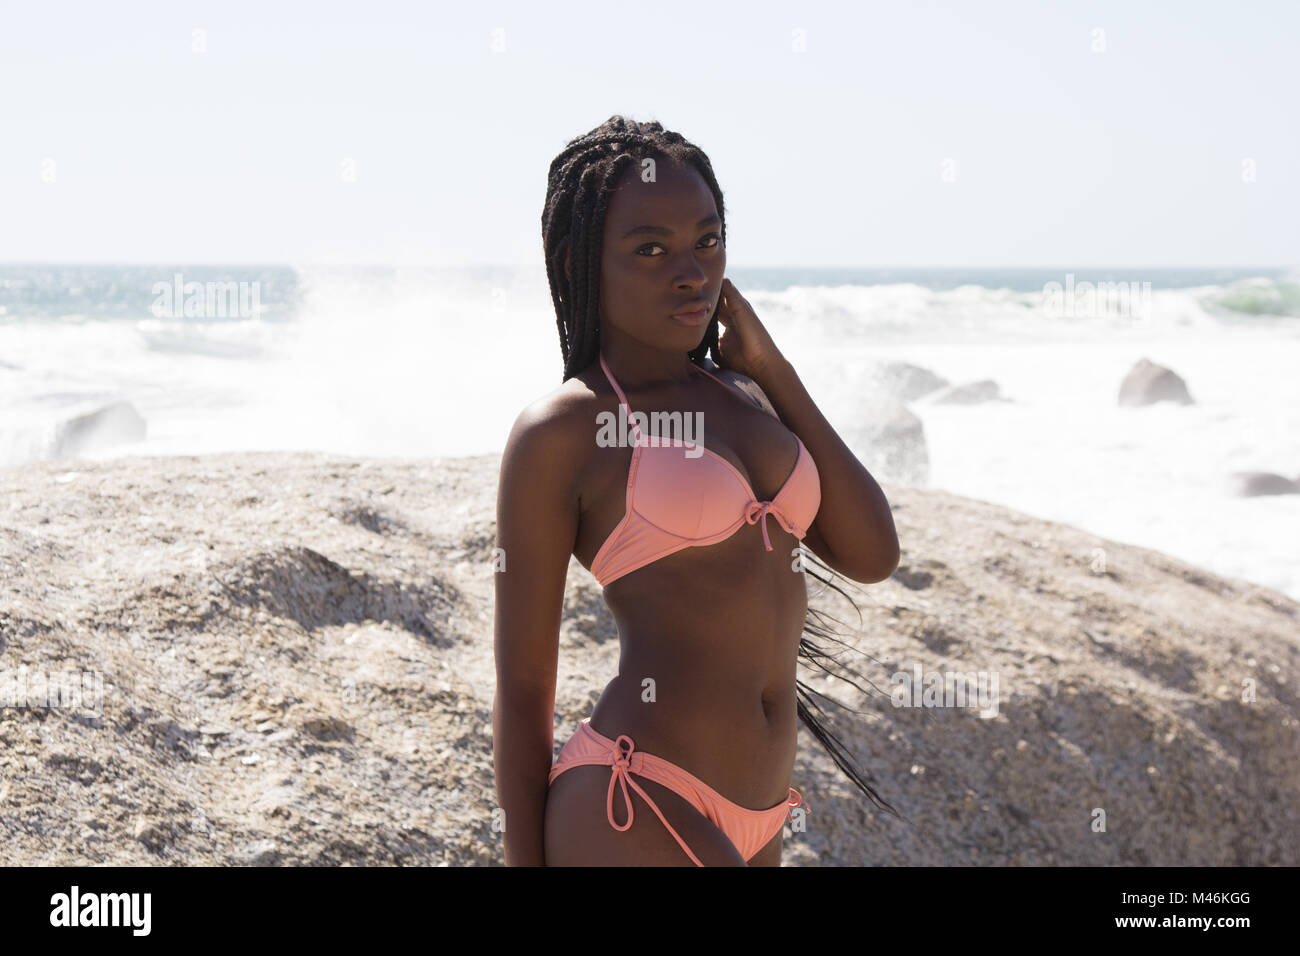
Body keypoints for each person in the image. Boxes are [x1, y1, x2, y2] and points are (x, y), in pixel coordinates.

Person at [493, 115, 901, 866]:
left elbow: (873, 553)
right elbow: (523, 691)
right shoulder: (566, 431)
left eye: (707, 241)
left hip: (760, 816)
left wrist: (774, 369)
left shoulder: (745, 395)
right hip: (635, 797)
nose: (691, 270)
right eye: (650, 248)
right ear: (579, 263)